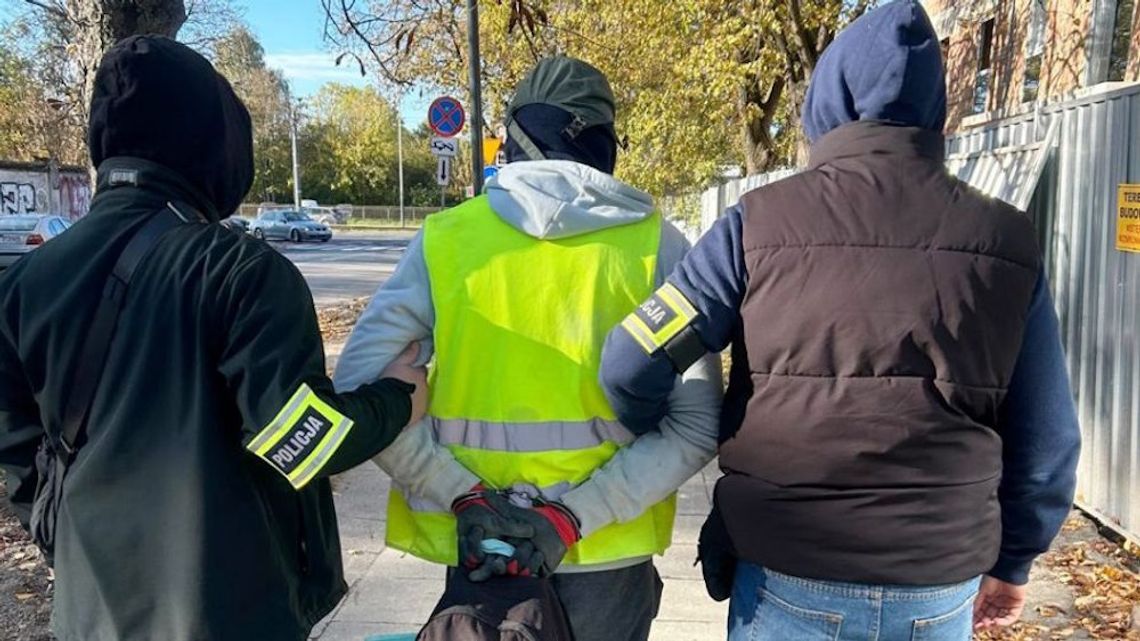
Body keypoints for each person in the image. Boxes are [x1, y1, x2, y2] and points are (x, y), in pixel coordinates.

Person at [599, 2, 1081, 640]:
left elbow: (632, 359)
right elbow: (1048, 438)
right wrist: (1015, 559)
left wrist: (653, 424)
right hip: (936, 583)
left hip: (784, 574)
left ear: (829, 101)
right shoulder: (1006, 240)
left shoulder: (755, 224)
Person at [0, 37, 427, 641]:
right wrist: (399, 400)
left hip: (90, 612)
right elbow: (301, 442)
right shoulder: (241, 270)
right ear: (216, 140)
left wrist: (80, 553)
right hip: (232, 610)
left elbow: (22, 465)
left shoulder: (20, 284)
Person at [333, 56, 722, 641]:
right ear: (605, 142)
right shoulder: (657, 247)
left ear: (512, 139)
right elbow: (697, 426)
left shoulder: (449, 241)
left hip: (479, 552)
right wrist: (569, 519)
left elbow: (361, 389)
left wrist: (459, 495)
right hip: (605, 555)